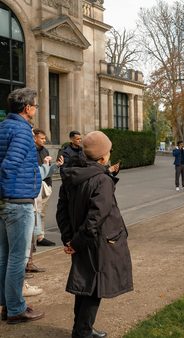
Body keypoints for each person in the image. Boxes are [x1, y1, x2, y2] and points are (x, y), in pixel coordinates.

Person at [56, 131, 133, 338]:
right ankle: (82, 332)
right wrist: (75, 242)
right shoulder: (101, 181)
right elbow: (96, 218)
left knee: (84, 284)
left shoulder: (74, 175)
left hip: (80, 240)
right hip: (97, 242)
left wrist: (69, 239)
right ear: (101, 157)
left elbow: (62, 210)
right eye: (108, 151)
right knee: (94, 288)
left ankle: (81, 329)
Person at [0, 87, 44, 324]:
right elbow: (10, 164)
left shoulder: (4, 126)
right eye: (35, 106)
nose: (36, 109)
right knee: (17, 259)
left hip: (6, 202)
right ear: (27, 108)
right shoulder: (21, 130)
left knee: (4, 258)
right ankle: (16, 309)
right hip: (18, 202)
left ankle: (7, 306)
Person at [33, 128, 56, 247]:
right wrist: (45, 165)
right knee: (33, 212)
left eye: (44, 138)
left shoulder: (45, 150)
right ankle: (32, 240)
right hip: (34, 186)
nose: (44, 140)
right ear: (34, 138)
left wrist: (56, 166)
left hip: (46, 186)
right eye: (42, 138)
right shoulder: (30, 151)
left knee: (41, 213)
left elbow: (48, 171)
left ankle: (40, 238)